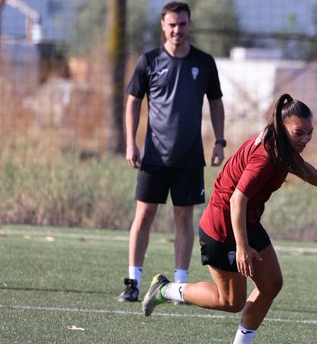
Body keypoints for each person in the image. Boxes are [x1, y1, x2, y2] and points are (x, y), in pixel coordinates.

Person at [141, 94, 317, 344]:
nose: (306, 139)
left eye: (310, 133)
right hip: (222, 228)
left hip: (246, 222)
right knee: (231, 301)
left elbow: (302, 167)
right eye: (300, 133)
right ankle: (166, 290)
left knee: (272, 283)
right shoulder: (265, 157)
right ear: (282, 126)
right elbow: (237, 200)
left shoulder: (281, 144)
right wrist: (242, 248)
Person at [118, 1, 226, 302]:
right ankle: (133, 282)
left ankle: (179, 287)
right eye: (172, 25)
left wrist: (220, 141)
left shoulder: (204, 62)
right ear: (163, 27)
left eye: (182, 24)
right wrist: (131, 142)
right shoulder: (149, 60)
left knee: (184, 218)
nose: (177, 30)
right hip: (154, 155)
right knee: (144, 215)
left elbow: (216, 102)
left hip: (190, 157)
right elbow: (132, 100)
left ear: (189, 25)